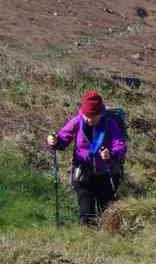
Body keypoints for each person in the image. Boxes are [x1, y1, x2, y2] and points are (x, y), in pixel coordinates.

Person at [46, 91, 128, 225]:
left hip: (106, 175)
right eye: (86, 115)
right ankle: (88, 240)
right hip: (83, 175)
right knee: (86, 217)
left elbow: (121, 146)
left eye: (93, 116)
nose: (89, 119)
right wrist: (54, 141)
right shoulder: (77, 122)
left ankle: (108, 241)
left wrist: (111, 153)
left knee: (108, 216)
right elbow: (62, 139)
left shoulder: (110, 124)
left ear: (101, 113)